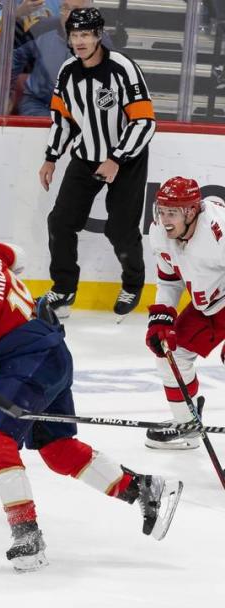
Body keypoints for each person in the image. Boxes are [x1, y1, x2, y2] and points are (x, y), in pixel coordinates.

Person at [0, 226, 183, 572]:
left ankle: (27, 534)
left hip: (28, 365)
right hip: (51, 351)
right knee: (56, 449)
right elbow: (17, 258)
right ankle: (145, 491)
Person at [38, 7, 155, 318]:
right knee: (60, 222)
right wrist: (51, 157)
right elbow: (62, 120)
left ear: (99, 36)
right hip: (85, 158)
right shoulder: (67, 72)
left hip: (125, 160)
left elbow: (144, 122)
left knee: (120, 229)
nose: (79, 41)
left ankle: (132, 284)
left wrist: (117, 158)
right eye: (75, 35)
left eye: (86, 35)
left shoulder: (123, 68)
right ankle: (64, 288)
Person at [143, 177, 224, 449]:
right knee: (171, 354)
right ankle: (187, 426)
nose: (164, 219)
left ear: (191, 212)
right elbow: (169, 280)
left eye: (172, 213)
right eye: (161, 210)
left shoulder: (218, 232)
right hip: (210, 305)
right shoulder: (160, 232)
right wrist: (162, 317)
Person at [10, 0, 103, 117]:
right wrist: (8, 93)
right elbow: (15, 58)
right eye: (65, 8)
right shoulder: (41, 29)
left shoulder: (101, 42)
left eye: (76, 10)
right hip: (37, 105)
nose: (69, 15)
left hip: (78, 110)